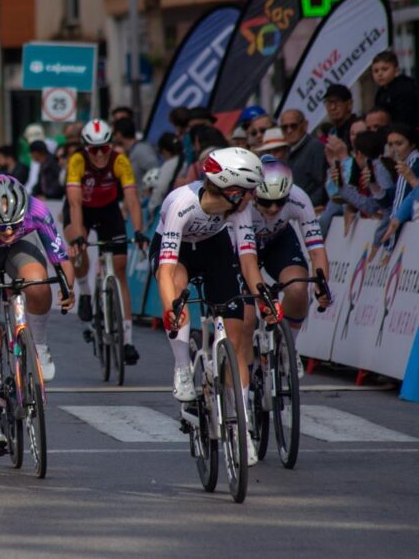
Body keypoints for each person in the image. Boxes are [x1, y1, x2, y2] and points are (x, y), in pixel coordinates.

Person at [151, 147, 278, 468]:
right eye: (248, 192)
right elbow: (166, 270)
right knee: (178, 293)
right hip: (178, 251)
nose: (253, 198)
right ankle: (182, 367)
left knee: (235, 339)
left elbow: (248, 261)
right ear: (232, 191)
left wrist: (262, 296)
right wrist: (171, 309)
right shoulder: (182, 203)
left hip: (213, 248)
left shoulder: (238, 209)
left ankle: (242, 425)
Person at [0, 175, 75, 455]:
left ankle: (39, 345)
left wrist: (68, 289)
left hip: (22, 250)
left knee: (38, 283)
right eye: (0, 226)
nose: (7, 232)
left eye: (13, 225)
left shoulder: (37, 210)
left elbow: (61, 259)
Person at [64, 119, 147, 366]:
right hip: (83, 211)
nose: (99, 155)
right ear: (85, 147)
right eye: (93, 149)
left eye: (104, 148)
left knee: (119, 269)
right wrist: (79, 236)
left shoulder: (120, 160)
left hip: (109, 210)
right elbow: (75, 203)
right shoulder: (77, 160)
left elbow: (132, 199)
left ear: (110, 145)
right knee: (77, 248)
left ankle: (128, 340)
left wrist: (140, 230)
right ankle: (86, 293)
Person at [249, 158, 331, 337]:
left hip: (278, 241)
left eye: (280, 201)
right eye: (265, 202)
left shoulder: (298, 197)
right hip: (244, 247)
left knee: (298, 288)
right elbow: (246, 262)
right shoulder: (243, 203)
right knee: (245, 315)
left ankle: (286, 348)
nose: (273, 208)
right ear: (253, 195)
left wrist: (321, 286)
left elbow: (317, 250)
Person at [378, 124, 419, 248]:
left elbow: (402, 201)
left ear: (412, 144)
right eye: (390, 144)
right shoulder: (403, 165)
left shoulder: (412, 164)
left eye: (399, 144)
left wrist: (391, 244)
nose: (394, 149)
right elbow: (397, 199)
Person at [279, 109, 327, 208]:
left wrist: (303, 206)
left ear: (305, 125)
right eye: (284, 127)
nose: (289, 130)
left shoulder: (315, 147)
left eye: (293, 126)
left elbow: (322, 185)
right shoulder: (287, 151)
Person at [371, 50, 419, 126]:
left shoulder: (404, 88)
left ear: (396, 71)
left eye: (384, 69)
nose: (380, 74)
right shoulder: (380, 93)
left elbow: (404, 118)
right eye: (376, 71)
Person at [112, 116, 160, 188]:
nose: (113, 137)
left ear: (119, 134)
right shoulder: (131, 151)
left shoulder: (141, 150)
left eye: (114, 134)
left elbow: (156, 171)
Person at [149, 133, 184, 212]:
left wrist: (152, 207)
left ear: (165, 151)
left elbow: (161, 188)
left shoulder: (169, 164)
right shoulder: (186, 161)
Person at [323, 84, 361, 151]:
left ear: (349, 104)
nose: (332, 107)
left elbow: (358, 160)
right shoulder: (332, 133)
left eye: (337, 102)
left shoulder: (357, 129)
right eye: (328, 103)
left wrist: (344, 158)